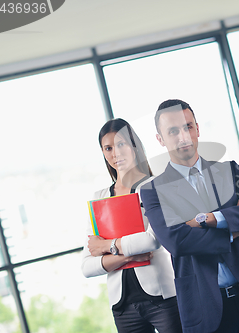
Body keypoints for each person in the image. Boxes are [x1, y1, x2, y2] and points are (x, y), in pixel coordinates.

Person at [140, 99, 239, 333]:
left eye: (188, 127)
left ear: (197, 129)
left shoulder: (230, 170)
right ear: (160, 139)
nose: (183, 137)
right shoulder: (153, 191)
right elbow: (177, 241)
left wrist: (210, 219)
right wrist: (234, 223)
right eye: (173, 131)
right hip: (206, 313)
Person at [81, 118, 182, 333]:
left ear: (133, 146)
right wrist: (129, 256)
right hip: (123, 306)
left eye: (120, 144)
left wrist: (108, 246)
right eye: (108, 148)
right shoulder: (99, 198)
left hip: (162, 298)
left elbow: (152, 240)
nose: (115, 153)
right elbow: (87, 265)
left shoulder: (156, 186)